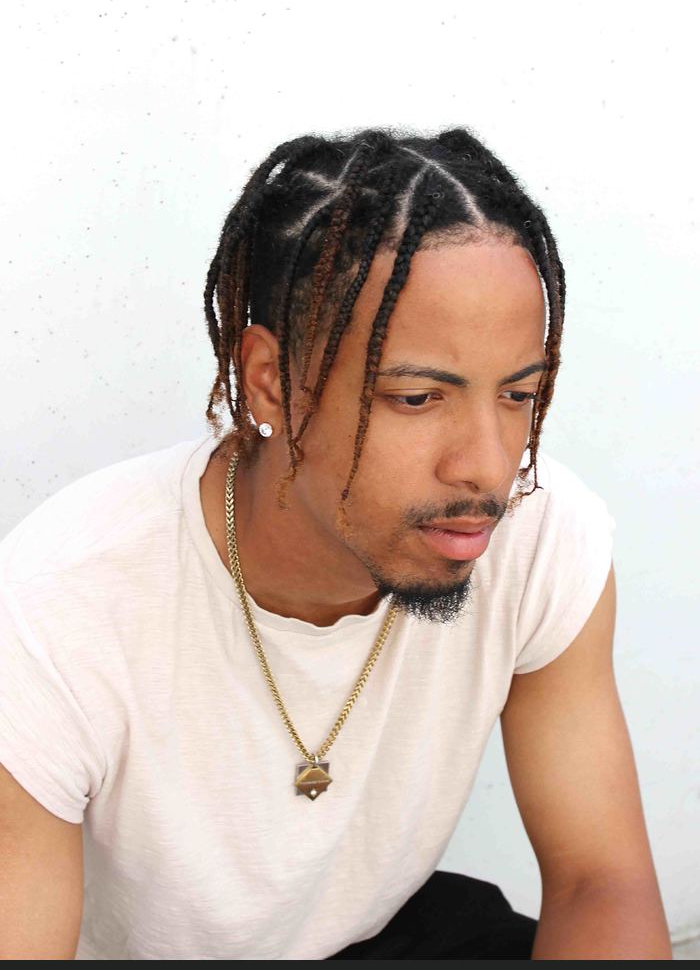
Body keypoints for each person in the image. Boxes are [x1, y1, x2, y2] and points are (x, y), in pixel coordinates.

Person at [0, 126, 672, 960]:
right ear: (270, 381)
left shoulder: (534, 536)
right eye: (418, 398)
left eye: (518, 396)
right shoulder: (60, 610)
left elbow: (598, 882)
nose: (488, 467)